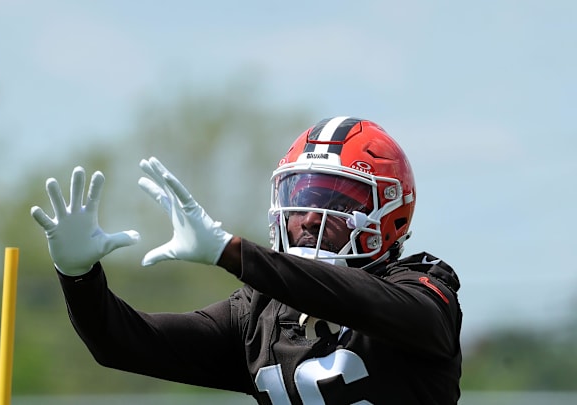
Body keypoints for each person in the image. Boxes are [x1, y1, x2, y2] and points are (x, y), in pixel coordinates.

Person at [30, 116, 462, 404]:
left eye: (336, 199)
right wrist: (78, 276)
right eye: (302, 198)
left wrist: (231, 252)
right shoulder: (260, 313)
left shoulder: (422, 289)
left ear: (391, 212)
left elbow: (364, 302)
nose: (310, 216)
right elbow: (120, 341)